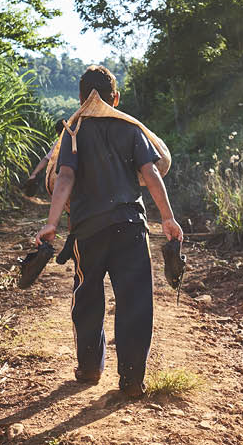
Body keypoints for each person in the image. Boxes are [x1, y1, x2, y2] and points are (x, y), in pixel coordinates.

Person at [35, 65, 183, 398]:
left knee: (87, 298)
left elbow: (65, 178)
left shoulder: (74, 132)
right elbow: (151, 172)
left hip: (88, 231)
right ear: (115, 97)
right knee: (136, 302)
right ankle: (131, 380)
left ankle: (89, 367)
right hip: (131, 227)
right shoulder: (130, 129)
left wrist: (51, 223)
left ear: (79, 98)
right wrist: (168, 218)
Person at [21, 119, 64, 196]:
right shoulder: (78, 140)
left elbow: (46, 159)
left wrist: (34, 174)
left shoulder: (58, 143)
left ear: (58, 133)